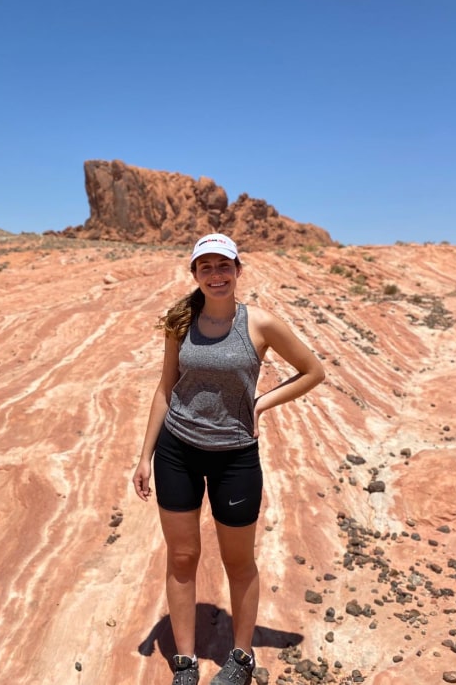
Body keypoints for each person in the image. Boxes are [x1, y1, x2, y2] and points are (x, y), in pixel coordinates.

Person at [132, 233, 325, 685]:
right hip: (177, 451)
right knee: (181, 558)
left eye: (224, 266)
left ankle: (240, 658)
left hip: (235, 457)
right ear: (195, 275)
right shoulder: (181, 322)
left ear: (239, 271)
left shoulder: (260, 324)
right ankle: (185, 663)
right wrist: (145, 456)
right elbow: (165, 389)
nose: (216, 275)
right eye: (206, 267)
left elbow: (313, 371)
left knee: (238, 562)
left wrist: (260, 404)